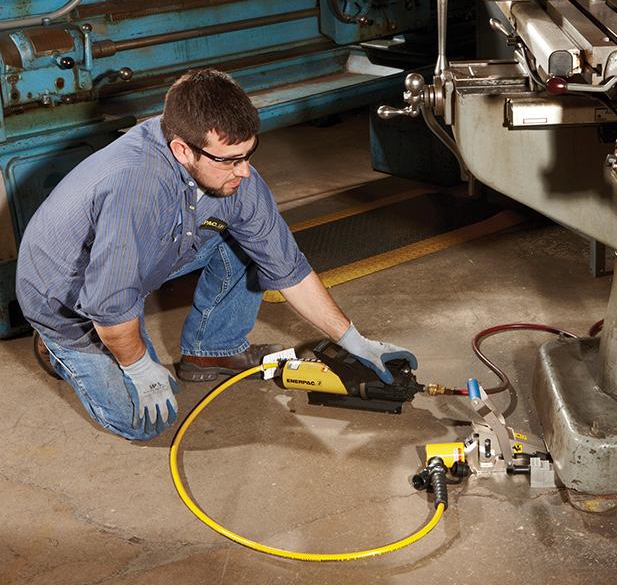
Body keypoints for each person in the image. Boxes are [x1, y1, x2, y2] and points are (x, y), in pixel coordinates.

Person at [16, 68, 416, 441]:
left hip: (136, 264)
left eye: (248, 154)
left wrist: (354, 340)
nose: (244, 172)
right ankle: (55, 348)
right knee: (145, 422)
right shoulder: (136, 188)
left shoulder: (231, 174)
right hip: (72, 300)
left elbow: (287, 267)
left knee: (249, 245)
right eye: (229, 160)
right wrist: (139, 368)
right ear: (182, 150)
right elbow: (108, 305)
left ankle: (212, 353)